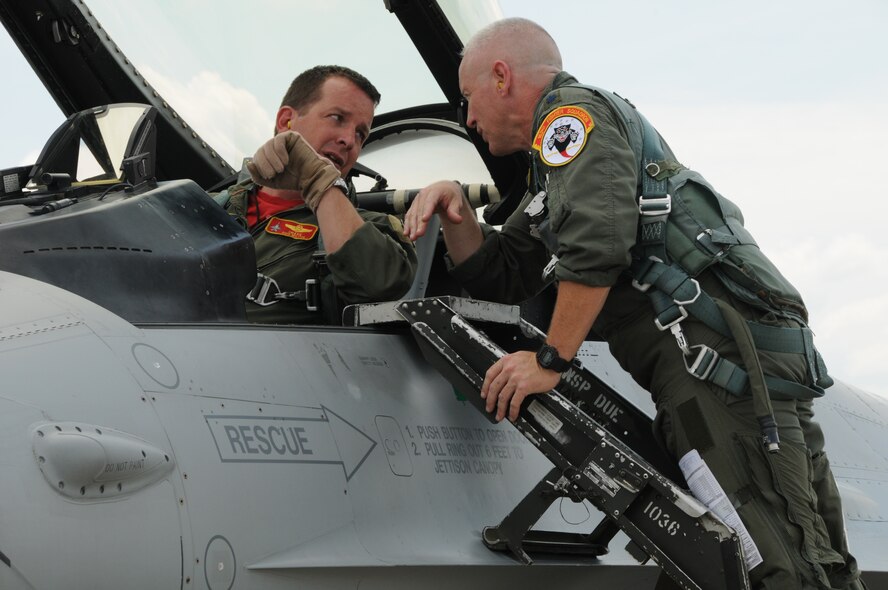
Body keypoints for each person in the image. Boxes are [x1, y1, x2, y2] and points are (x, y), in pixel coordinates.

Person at [403, 17, 864, 590]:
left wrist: (549, 362)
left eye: (468, 98)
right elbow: (508, 272)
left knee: (770, 567)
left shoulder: (570, 118)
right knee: (813, 555)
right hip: (738, 359)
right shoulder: (558, 163)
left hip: (714, 363)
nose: (467, 118)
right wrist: (457, 215)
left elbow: (598, 244)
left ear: (502, 77)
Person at [217, 65, 416, 324]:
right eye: (337, 118)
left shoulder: (375, 229)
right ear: (285, 121)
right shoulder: (208, 206)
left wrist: (320, 182)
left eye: (360, 133)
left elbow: (381, 285)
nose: (349, 140)